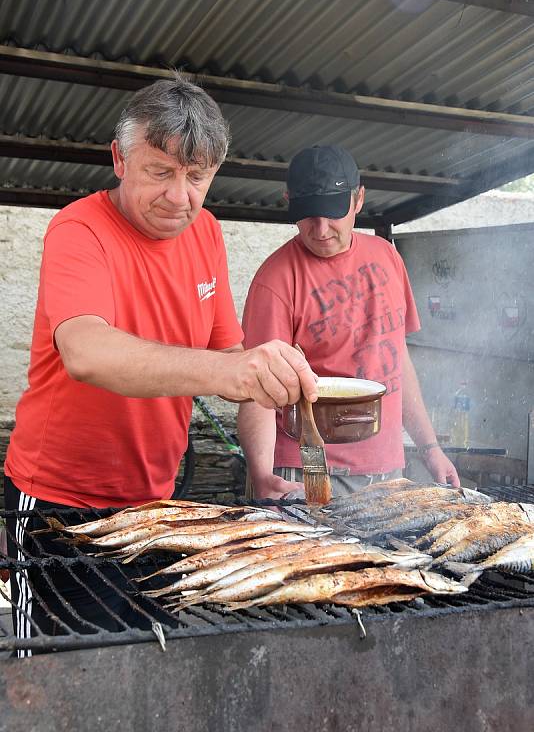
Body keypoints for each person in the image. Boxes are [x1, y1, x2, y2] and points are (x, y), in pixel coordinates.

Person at [4, 75, 317, 654]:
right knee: (52, 676)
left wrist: (263, 463)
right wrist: (229, 371)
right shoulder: (79, 229)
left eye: (197, 177)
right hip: (61, 502)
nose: (180, 197)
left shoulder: (207, 234)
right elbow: (86, 352)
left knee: (141, 662)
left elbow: (232, 355)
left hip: (156, 501)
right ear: (119, 159)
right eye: (161, 172)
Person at [237, 144, 460, 500]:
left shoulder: (387, 257)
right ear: (288, 200)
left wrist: (430, 448)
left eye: (332, 213)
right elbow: (256, 391)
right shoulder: (276, 279)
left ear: (358, 199)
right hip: (310, 464)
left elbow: (397, 357)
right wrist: (261, 473)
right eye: (309, 214)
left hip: (388, 467)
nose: (321, 229)